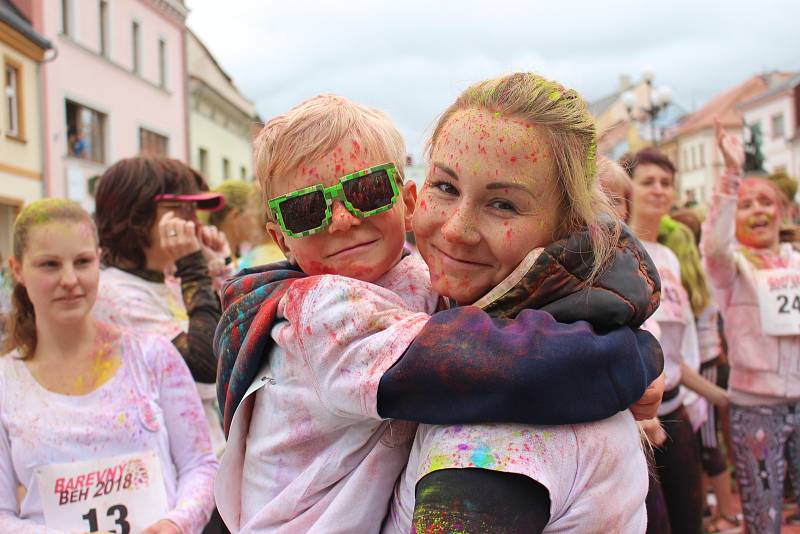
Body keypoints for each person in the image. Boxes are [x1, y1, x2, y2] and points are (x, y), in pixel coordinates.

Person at [214, 92, 664, 532]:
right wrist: (633, 358)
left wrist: (612, 320)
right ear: (281, 239)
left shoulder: (418, 275)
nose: (343, 219)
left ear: (406, 202)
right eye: (305, 210)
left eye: (366, 191)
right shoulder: (320, 310)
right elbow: (486, 363)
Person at [387, 73, 661, 533]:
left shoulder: (488, 444)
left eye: (503, 205)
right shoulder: (576, 340)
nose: (455, 229)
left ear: (565, 227)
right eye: (446, 187)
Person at [0, 199, 217, 533]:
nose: (69, 279)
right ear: (17, 270)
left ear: (99, 261)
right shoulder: (6, 384)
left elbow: (201, 465)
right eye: (49, 265)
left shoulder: (153, 356)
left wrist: (176, 524)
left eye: (83, 262)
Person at [92, 157, 229, 460]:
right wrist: (193, 269)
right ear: (137, 213)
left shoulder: (165, 280)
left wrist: (216, 268)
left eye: (196, 210)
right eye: (182, 209)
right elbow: (207, 370)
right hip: (171, 473)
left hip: (208, 460)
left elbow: (233, 342)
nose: (194, 222)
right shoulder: (115, 294)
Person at [626, 147, 731, 534]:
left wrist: (719, 397)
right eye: (648, 181)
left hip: (677, 409)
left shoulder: (669, 257)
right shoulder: (617, 253)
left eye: (666, 183)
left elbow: (677, 353)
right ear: (628, 189)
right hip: (636, 418)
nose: (659, 190)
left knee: (691, 518)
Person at [702, 120, 800, 533]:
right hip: (755, 406)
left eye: (766, 203)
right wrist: (731, 178)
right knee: (763, 515)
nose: (757, 210)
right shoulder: (732, 267)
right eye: (746, 204)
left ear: (785, 211)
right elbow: (715, 246)